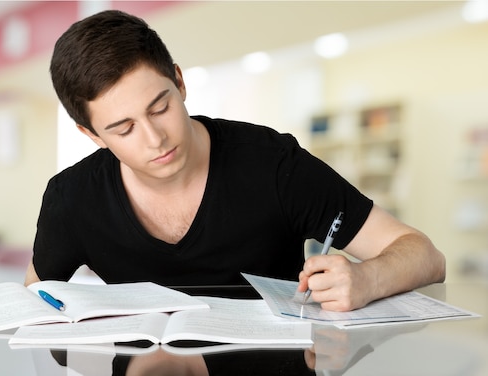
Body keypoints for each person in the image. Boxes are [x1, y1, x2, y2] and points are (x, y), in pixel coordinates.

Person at [24, 9, 445, 312]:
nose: (156, 139)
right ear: (92, 135)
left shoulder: (273, 164)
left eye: (159, 107)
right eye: (124, 128)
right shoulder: (71, 198)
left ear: (180, 81)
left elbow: (426, 255)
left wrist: (367, 279)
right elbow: (38, 298)